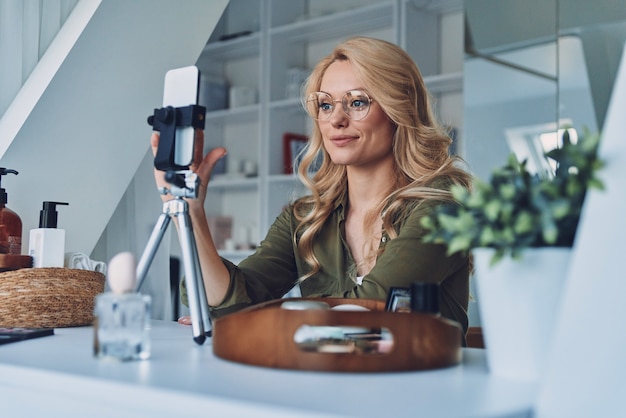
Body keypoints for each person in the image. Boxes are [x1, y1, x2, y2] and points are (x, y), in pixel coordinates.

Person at [151, 37, 472, 336]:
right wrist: (190, 214)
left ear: (399, 109)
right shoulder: (306, 217)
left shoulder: (443, 205)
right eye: (326, 105)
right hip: (326, 385)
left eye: (357, 102)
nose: (336, 119)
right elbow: (234, 298)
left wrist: (253, 317)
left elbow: (371, 310)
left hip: (423, 390)